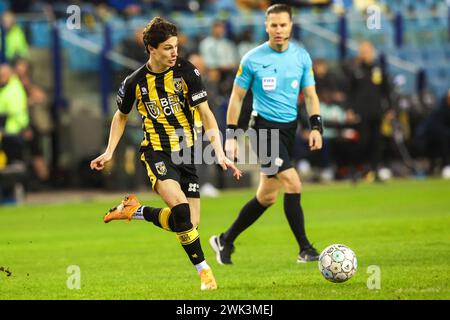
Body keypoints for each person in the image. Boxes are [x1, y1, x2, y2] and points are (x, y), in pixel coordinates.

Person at [90, 17, 242, 291]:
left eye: (176, 47)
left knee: (188, 224)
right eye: (168, 48)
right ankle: (205, 272)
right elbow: (121, 116)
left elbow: (206, 115)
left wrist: (219, 152)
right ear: (151, 48)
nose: (174, 53)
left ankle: (134, 211)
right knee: (181, 211)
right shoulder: (135, 82)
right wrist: (109, 151)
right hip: (156, 153)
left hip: (186, 153)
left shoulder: (188, 73)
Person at [209, 4, 323, 265]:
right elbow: (236, 99)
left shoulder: (302, 57)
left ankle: (225, 239)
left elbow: (311, 95)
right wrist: (232, 136)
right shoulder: (252, 58)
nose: (279, 30)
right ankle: (304, 248)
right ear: (266, 26)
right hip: (263, 129)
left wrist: (316, 126)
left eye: (283, 25)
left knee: (267, 196)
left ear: (291, 26)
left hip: (288, 129)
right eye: (274, 25)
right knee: (293, 183)